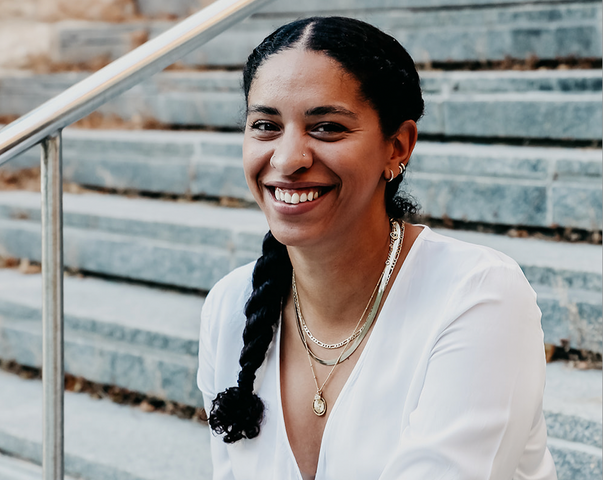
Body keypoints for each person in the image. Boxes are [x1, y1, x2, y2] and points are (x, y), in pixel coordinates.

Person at [197, 16, 557, 480]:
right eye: (265, 125)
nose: (287, 160)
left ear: (398, 146)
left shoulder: (478, 295)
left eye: (326, 128)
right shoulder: (230, 307)